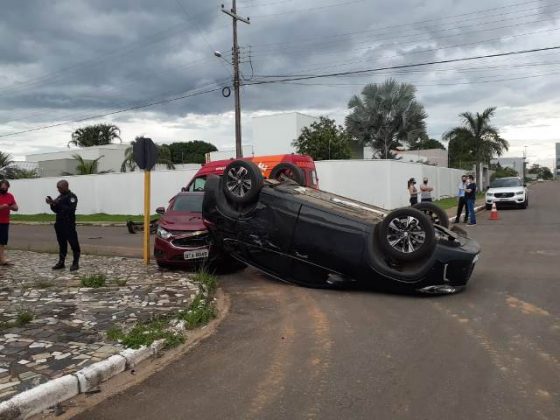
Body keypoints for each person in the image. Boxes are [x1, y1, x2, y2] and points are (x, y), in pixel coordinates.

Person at [46, 180, 80, 271]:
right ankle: (61, 262)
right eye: (58, 188)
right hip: (59, 223)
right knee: (62, 244)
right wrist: (52, 204)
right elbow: (56, 210)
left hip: (68, 224)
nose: (58, 190)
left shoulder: (72, 197)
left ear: (66, 186)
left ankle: (75, 263)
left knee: (73, 243)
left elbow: (70, 209)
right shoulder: (60, 197)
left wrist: (57, 203)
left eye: (60, 188)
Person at [0, 180, 18, 265]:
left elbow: (16, 207)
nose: (3, 189)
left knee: (2, 242)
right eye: (2, 187)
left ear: (8, 187)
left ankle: (2, 259)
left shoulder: (10, 196)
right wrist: (2, 207)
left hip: (5, 222)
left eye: (5, 188)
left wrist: (11, 207)